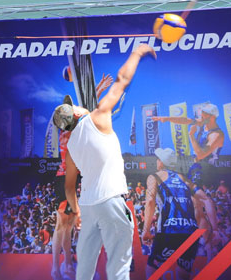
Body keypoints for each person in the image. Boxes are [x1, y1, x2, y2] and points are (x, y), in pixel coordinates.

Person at [53, 44, 156, 280]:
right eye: (75, 106)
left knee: (85, 270)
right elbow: (122, 79)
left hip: (88, 207)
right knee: (119, 266)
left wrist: (77, 211)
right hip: (110, 201)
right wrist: (137, 53)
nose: (78, 105)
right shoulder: (98, 117)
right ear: (77, 113)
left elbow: (70, 187)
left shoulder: (70, 147)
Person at [51, 73, 113, 280]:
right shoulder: (73, 126)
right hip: (65, 177)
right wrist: (100, 90)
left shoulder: (72, 123)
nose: (74, 109)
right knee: (63, 224)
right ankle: (57, 267)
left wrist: (99, 89)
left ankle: (67, 264)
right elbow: (90, 111)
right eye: (71, 108)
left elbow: (88, 109)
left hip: (74, 177)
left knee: (67, 226)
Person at [142, 148, 199, 279]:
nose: (156, 161)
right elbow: (197, 203)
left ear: (161, 162)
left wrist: (146, 229)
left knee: (152, 268)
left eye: (158, 159)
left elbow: (150, 201)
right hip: (190, 230)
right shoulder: (184, 178)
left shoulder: (154, 177)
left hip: (168, 230)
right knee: (183, 272)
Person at [152, 102, 224, 166]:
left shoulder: (216, 135)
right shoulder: (203, 123)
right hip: (198, 167)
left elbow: (201, 155)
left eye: (205, 113)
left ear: (212, 117)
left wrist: (191, 135)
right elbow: (186, 120)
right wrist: (167, 118)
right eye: (202, 112)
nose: (201, 114)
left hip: (208, 171)